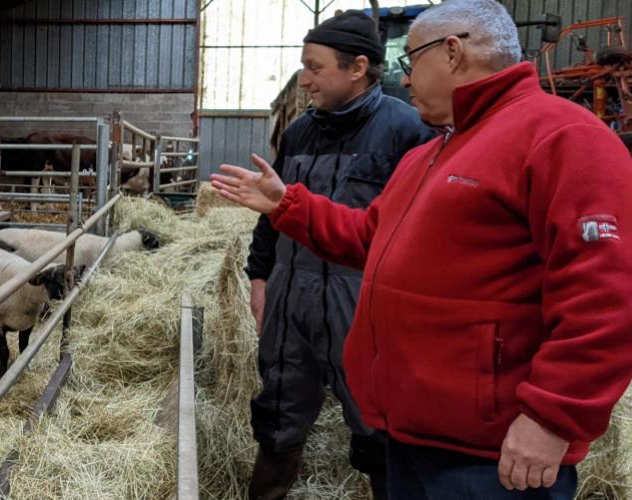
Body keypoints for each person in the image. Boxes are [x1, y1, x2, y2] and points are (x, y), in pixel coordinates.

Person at [212, 1, 632, 498]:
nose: (406, 81)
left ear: (452, 52)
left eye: (411, 63)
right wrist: (288, 206)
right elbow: (371, 238)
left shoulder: (561, 137)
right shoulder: (431, 152)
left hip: (488, 455)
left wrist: (552, 417)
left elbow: (607, 296)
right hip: (412, 433)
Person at [242, 10, 434, 500]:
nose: (304, 80)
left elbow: (424, 232)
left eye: (314, 66)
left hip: (365, 300)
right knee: (279, 410)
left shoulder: (408, 131)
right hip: (290, 297)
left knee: (377, 420)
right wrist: (260, 278)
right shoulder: (301, 132)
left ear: (357, 67)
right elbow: (272, 213)